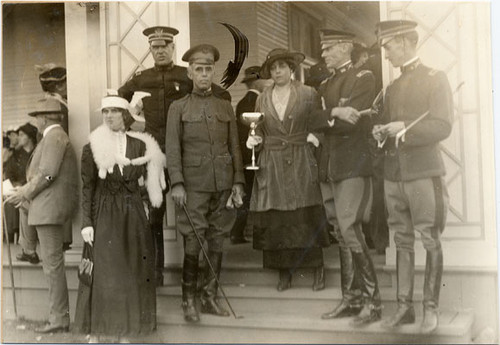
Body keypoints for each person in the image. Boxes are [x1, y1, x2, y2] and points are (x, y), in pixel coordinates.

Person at [119, 26, 230, 286]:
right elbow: (116, 101)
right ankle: (155, 272)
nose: (159, 51)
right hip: (154, 154)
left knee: (194, 213)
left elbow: (220, 94)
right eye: (155, 47)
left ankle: (198, 274)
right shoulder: (141, 79)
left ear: (172, 48)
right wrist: (133, 126)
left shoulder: (186, 74)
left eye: (164, 46)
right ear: (150, 49)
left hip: (184, 155)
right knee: (153, 214)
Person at [373, 20, 453, 334]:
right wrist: (382, 131)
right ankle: (404, 308)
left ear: (406, 42)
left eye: (388, 45)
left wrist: (403, 127)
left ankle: (430, 309)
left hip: (422, 173)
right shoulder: (391, 87)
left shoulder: (436, 78)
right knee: (401, 241)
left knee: (429, 238)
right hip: (394, 175)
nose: (386, 52)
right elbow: (388, 126)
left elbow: (443, 126)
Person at [166, 44, 245, 323]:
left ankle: (209, 297)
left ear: (213, 71)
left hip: (222, 183)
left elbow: (235, 146)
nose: (203, 74)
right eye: (198, 69)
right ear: (189, 72)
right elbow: (173, 149)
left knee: (218, 237)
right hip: (193, 185)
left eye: (208, 69)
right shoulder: (178, 108)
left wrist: (237, 180)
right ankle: (189, 300)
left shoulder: (224, 105)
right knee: (194, 237)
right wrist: (176, 183)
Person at [309, 29, 381, 326]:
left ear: (345, 48)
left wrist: (329, 117)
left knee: (350, 229)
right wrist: (336, 111)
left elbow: (354, 124)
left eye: (328, 49)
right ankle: (351, 300)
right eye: (324, 49)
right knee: (340, 230)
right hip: (329, 166)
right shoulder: (326, 83)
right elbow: (310, 119)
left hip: (352, 165)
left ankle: (373, 303)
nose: (323, 54)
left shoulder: (364, 78)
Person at [78, 92, 164, 340]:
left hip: (133, 212)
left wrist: (146, 205)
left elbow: (151, 181)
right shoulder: (91, 147)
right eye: (105, 112)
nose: (109, 116)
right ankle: (98, 331)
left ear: (126, 115)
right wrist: (87, 223)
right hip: (104, 210)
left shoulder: (140, 145)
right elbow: (88, 187)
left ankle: (127, 331)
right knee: (106, 272)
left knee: (132, 270)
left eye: (114, 111)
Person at [246, 48, 329, 292]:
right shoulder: (262, 97)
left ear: (291, 68)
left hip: (301, 157)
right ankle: (284, 272)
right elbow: (258, 127)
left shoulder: (308, 93)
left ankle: (318, 269)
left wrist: (315, 137)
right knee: (278, 218)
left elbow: (319, 121)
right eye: (273, 68)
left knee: (306, 213)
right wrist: (255, 139)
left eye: (282, 66)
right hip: (272, 162)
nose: (278, 71)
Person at [5, 98, 79, 333]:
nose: (35, 120)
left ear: (45, 118)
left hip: (49, 210)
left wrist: (24, 192)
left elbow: (48, 174)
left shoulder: (54, 137)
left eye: (37, 116)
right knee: (52, 265)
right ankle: (59, 317)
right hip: (46, 208)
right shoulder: (53, 137)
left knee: (52, 266)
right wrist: (23, 193)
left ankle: (59, 319)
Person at [230, 66, 272, 244]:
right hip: (254, 155)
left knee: (248, 195)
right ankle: (251, 233)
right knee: (255, 195)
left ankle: (238, 232)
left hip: (245, 155)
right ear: (258, 82)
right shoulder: (257, 101)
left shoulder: (242, 102)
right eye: (266, 79)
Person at [36, 64, 73, 251]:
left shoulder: (54, 101)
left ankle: (28, 247)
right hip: (57, 156)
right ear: (58, 86)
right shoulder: (55, 105)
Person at [3, 123, 40, 263]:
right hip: (21, 189)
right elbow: (9, 173)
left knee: (23, 204)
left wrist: (27, 187)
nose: (19, 137)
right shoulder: (16, 155)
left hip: (36, 190)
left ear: (30, 137)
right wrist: (16, 185)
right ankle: (27, 248)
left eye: (22, 135)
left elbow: (47, 175)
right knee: (18, 203)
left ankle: (28, 249)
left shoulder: (38, 152)